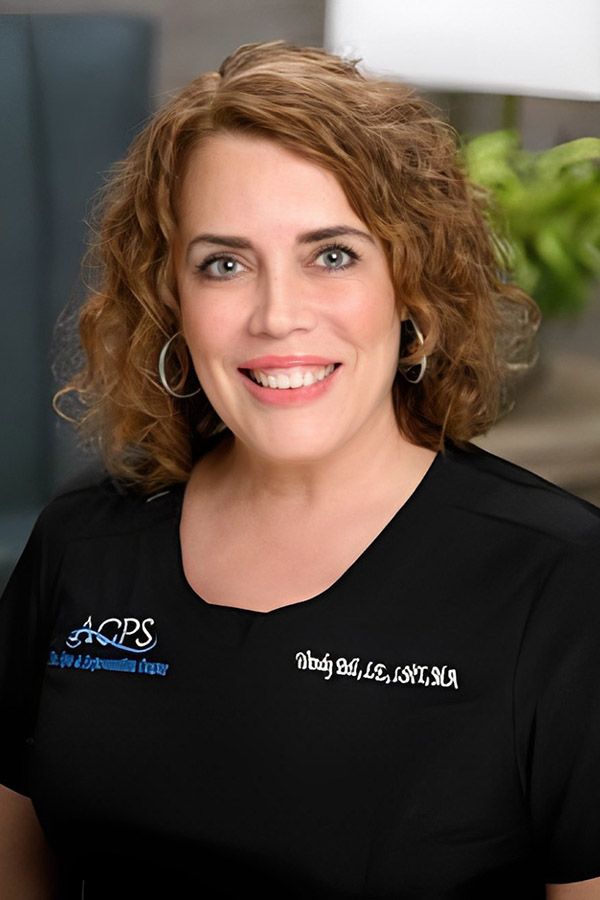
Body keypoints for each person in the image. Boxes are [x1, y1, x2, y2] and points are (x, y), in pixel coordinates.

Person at [1, 38, 599, 900]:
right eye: (225, 263)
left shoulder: (558, 577)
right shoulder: (85, 539)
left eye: (332, 254)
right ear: (173, 300)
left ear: (411, 286)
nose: (278, 316)